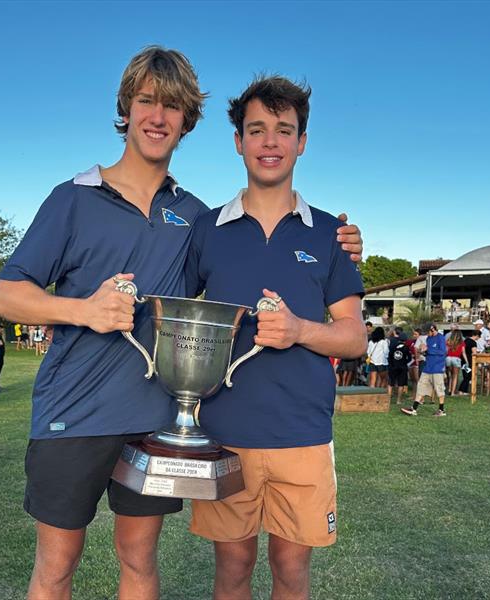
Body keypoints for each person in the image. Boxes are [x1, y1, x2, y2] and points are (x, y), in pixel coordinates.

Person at [0, 47, 365, 600]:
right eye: (146, 101)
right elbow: (3, 294)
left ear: (188, 119)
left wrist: (343, 247)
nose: (157, 116)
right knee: (57, 563)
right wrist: (82, 309)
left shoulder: (192, 215)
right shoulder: (77, 198)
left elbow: (245, 276)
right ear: (127, 106)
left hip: (155, 418)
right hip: (73, 415)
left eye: (172, 106)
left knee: (139, 560)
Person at [184, 75, 366, 600]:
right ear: (238, 140)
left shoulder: (330, 234)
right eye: (257, 129)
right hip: (225, 431)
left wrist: (300, 330)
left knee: (291, 573)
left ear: (302, 142)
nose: (270, 143)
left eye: (283, 131)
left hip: (302, 436)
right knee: (233, 571)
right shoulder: (207, 229)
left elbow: (353, 337)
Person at [401, 323, 447, 416]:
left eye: (427, 332)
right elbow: (428, 352)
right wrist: (422, 351)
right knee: (421, 387)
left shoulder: (440, 338)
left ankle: (441, 410)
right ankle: (413, 409)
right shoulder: (428, 339)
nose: (426, 335)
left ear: (433, 329)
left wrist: (428, 350)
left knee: (439, 389)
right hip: (427, 367)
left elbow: (442, 351)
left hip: (437, 368)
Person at [387, 334, 412, 404]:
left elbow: (389, 357)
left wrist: (391, 364)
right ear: (405, 340)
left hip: (392, 367)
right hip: (402, 368)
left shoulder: (393, 346)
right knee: (400, 384)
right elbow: (409, 358)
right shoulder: (406, 348)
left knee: (390, 384)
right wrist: (405, 362)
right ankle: (398, 400)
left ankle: (388, 400)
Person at [457, 330, 480, 395]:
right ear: (477, 336)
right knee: (468, 376)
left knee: (466, 375)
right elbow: (474, 353)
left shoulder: (465, 340)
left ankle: (464, 391)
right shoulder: (473, 343)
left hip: (463, 360)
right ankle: (461, 391)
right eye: (479, 337)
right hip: (469, 361)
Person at [444, 329, 464, 396]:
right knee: (455, 376)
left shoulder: (448, 341)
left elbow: (446, 350)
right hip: (456, 359)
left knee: (450, 375)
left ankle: (449, 389)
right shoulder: (461, 342)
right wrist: (466, 361)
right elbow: (463, 353)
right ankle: (452, 392)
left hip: (448, 358)